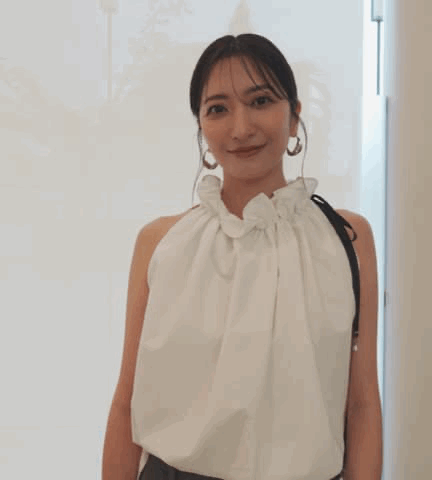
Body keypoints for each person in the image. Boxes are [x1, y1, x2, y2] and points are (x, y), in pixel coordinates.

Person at [102, 33, 383, 480]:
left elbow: (362, 403)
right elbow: (125, 404)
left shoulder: (347, 238)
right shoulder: (161, 242)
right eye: (218, 109)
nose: (240, 127)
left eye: (261, 101)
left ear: (294, 117)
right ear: (201, 128)